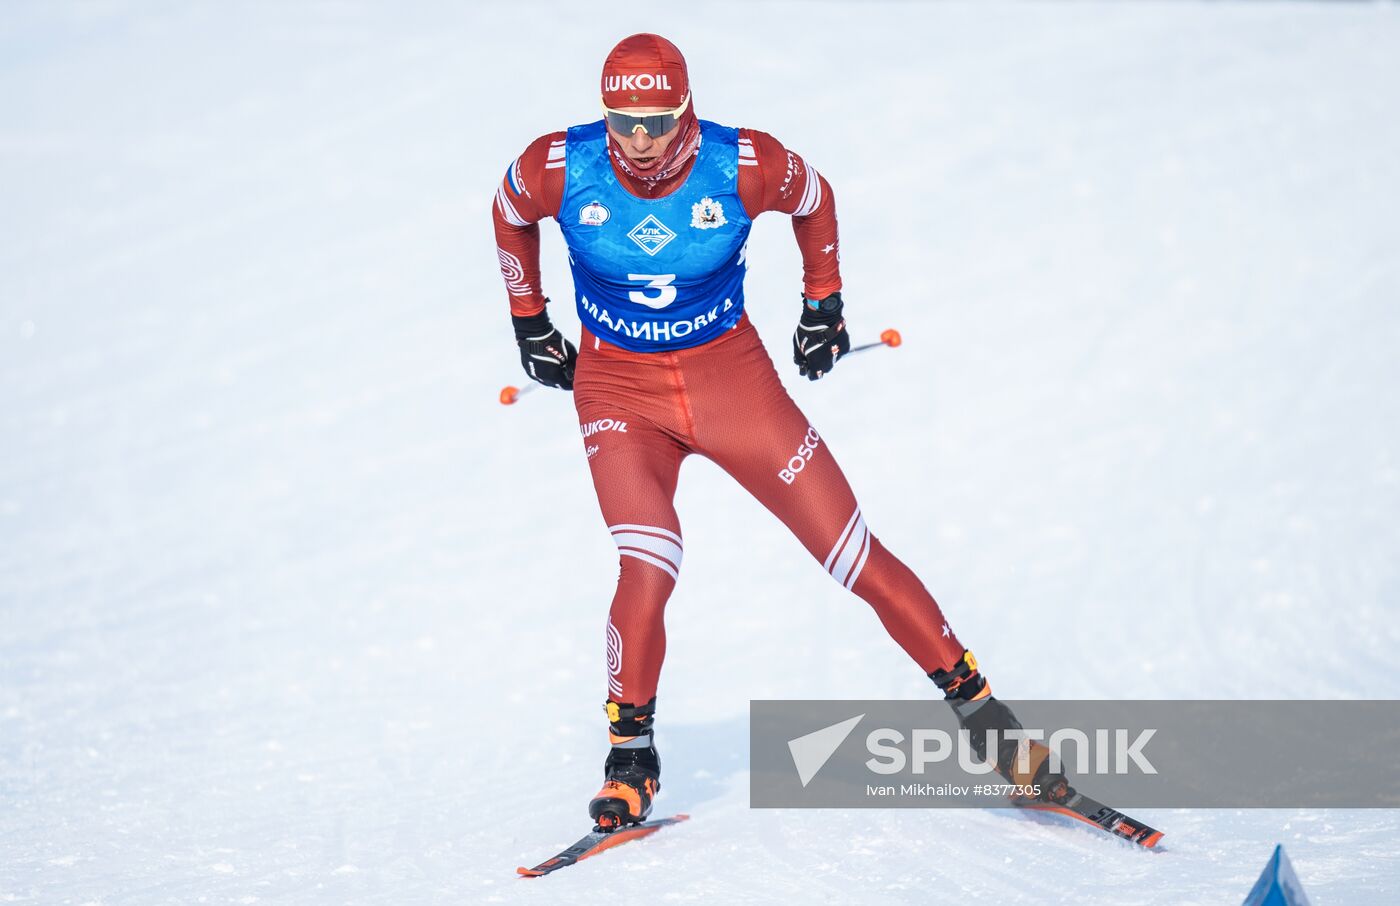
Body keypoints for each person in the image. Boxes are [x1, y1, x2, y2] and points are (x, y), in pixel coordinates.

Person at [492, 33, 1062, 829]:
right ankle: (631, 761)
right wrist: (531, 322)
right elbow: (509, 211)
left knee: (852, 552)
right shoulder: (561, 164)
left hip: (732, 384)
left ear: (687, 108)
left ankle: (993, 731)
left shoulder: (744, 161)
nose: (641, 139)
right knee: (649, 559)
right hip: (620, 392)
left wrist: (822, 304)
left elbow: (815, 199)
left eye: (657, 118)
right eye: (623, 120)